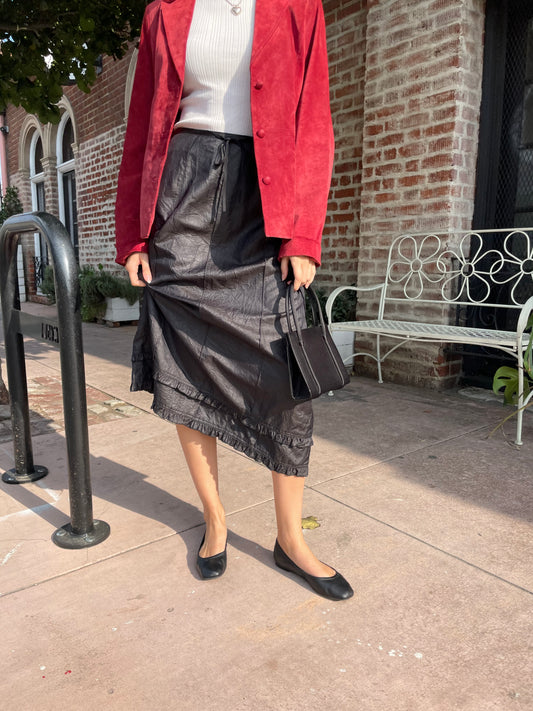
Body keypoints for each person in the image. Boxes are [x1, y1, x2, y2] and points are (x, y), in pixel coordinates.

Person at [115, 0, 353, 601]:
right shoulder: (163, 14)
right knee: (184, 360)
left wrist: (304, 234)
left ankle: (290, 538)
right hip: (181, 196)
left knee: (284, 375)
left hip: (266, 201)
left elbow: (314, 121)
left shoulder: (300, 9)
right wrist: (133, 235)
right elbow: (142, 124)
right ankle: (216, 521)